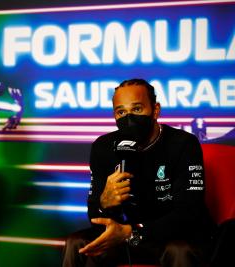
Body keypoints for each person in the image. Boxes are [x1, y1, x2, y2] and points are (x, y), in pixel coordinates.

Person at [62, 79, 216, 267]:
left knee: (179, 250)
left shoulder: (184, 144)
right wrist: (104, 203)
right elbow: (95, 215)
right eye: (121, 112)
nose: (129, 119)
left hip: (172, 236)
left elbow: (188, 213)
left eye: (136, 109)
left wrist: (132, 232)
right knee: (77, 243)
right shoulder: (103, 147)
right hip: (125, 237)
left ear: (155, 110)